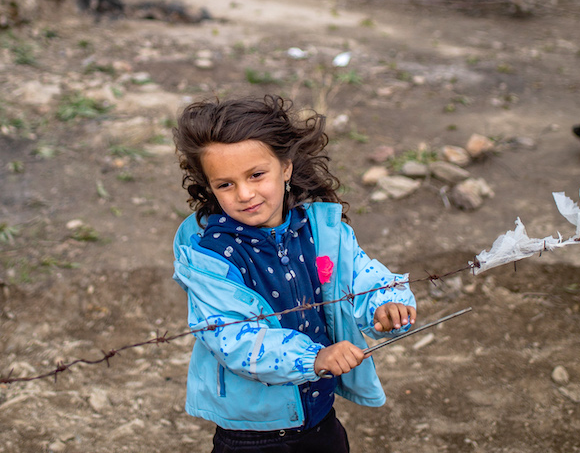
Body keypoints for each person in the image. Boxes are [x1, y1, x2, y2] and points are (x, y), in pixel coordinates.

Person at [171, 94, 417, 453]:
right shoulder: (210, 256)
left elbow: (358, 277)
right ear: (209, 187)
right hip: (251, 435)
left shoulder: (319, 230)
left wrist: (386, 302)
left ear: (285, 168)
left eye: (256, 175)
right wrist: (312, 359)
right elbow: (234, 340)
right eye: (225, 184)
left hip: (319, 416)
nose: (245, 193)